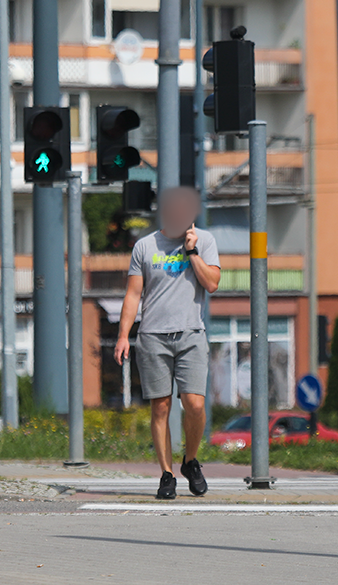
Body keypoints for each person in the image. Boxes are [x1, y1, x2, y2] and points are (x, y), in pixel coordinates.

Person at [114, 186, 221, 499]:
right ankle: (166, 474)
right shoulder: (145, 246)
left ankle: (190, 460)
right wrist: (123, 335)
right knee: (160, 407)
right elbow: (134, 294)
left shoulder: (205, 240)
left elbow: (212, 283)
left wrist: (192, 252)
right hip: (152, 336)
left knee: (195, 405)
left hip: (191, 334)